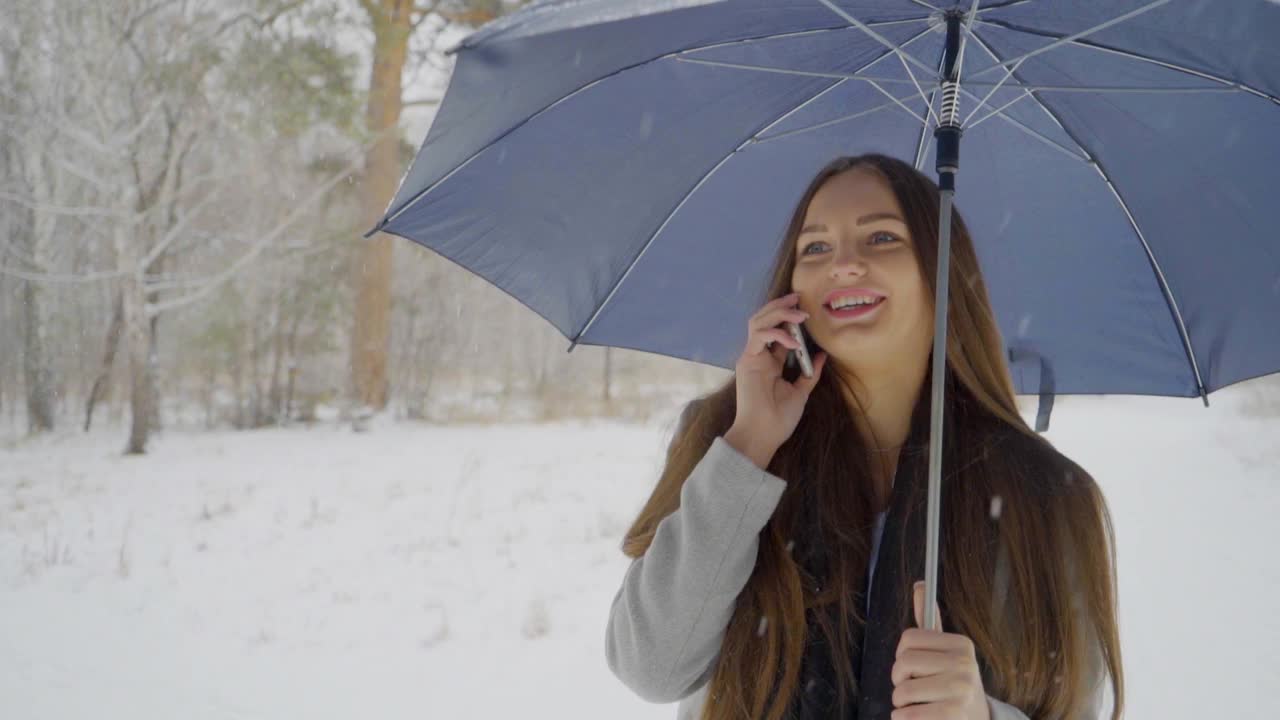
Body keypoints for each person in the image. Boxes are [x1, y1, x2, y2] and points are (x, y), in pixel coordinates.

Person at [604, 154, 1124, 720]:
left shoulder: (1045, 494)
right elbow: (651, 666)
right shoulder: (728, 440)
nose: (844, 264)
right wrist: (750, 443)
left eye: (881, 238)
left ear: (943, 274)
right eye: (816, 247)